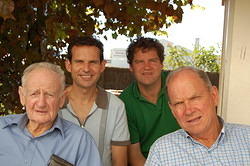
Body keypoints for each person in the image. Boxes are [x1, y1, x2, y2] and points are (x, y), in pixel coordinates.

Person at [0, 62, 102, 166]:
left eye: (49, 94)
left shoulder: (80, 142)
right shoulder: (2, 129)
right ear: (22, 96)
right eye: (34, 94)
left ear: (61, 99)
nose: (41, 103)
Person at [145, 66, 250, 165]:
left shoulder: (247, 138)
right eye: (179, 103)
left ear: (214, 96)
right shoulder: (161, 151)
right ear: (172, 110)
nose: (189, 111)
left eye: (194, 98)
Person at [60, 36, 130, 166]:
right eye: (79, 61)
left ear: (102, 66)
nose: (86, 68)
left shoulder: (116, 106)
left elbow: (119, 162)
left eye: (93, 62)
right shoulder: (52, 103)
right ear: (68, 65)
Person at [119, 37, 180, 166]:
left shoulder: (178, 86)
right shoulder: (124, 102)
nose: (147, 67)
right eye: (140, 62)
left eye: (152, 60)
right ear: (131, 67)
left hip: (184, 158)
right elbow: (135, 157)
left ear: (161, 64)